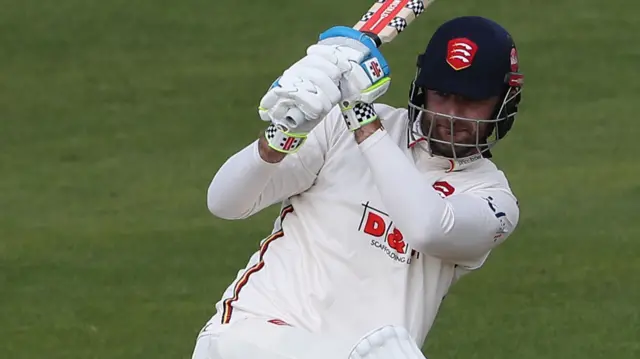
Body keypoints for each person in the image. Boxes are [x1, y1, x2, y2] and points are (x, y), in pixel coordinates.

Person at [192, 15, 524, 359]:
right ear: (422, 89)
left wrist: (358, 113)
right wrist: (283, 133)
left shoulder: (493, 200)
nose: (452, 114)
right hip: (254, 337)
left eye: (471, 100)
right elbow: (225, 202)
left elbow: (428, 228)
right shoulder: (337, 127)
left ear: (504, 102)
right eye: (441, 94)